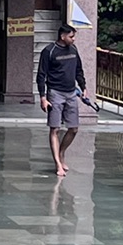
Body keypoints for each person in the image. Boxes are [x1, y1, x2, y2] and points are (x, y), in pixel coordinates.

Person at [37, 23, 86, 177]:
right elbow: (41, 75)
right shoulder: (49, 51)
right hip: (55, 93)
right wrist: (43, 97)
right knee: (55, 129)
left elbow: (79, 69)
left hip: (71, 92)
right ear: (62, 36)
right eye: (71, 36)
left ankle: (61, 152)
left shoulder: (74, 50)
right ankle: (58, 163)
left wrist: (83, 87)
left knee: (73, 128)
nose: (74, 39)